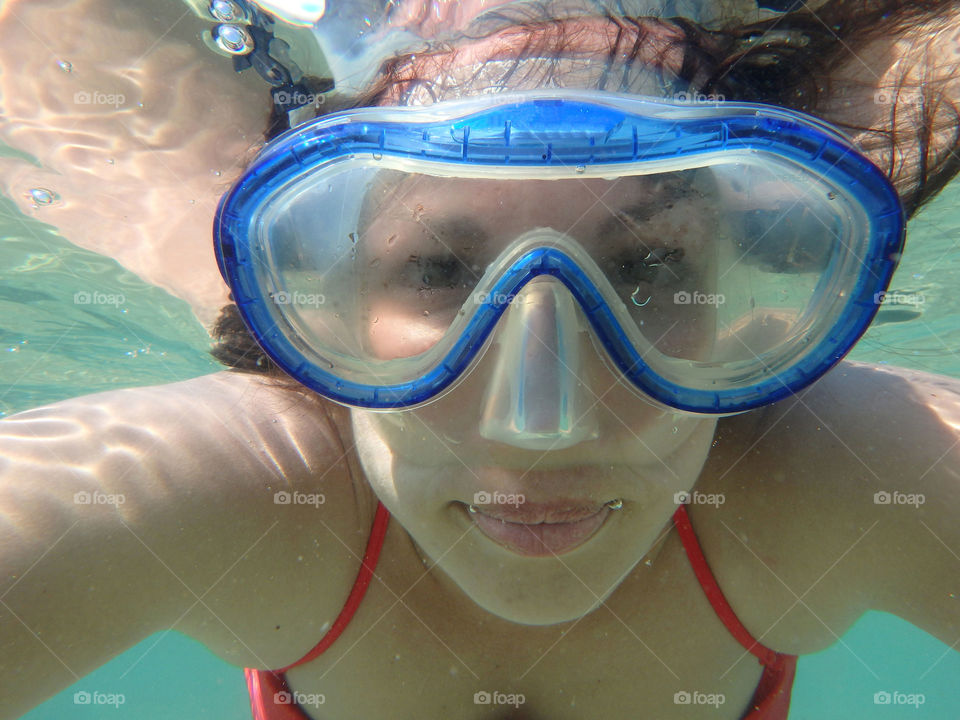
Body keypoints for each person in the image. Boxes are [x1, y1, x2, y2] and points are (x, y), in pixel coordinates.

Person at [1, 1, 960, 719]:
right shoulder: (237, 482)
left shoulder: (852, 471)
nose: (539, 423)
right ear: (329, 306)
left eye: (647, 269)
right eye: (437, 270)